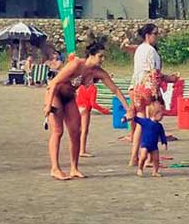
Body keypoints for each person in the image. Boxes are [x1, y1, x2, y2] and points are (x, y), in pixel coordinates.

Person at [44, 41, 131, 180]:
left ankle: (74, 168)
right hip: (55, 95)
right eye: (100, 56)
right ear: (91, 55)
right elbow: (54, 83)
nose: (102, 60)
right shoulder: (77, 64)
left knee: (75, 131)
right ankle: (55, 168)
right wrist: (48, 105)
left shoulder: (98, 72)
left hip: (70, 97)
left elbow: (114, 89)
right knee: (58, 131)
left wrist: (128, 109)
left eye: (104, 57)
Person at [129, 23, 179, 167]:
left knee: (141, 122)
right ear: (147, 35)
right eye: (155, 34)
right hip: (148, 87)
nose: (157, 36)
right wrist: (167, 79)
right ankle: (151, 157)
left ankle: (134, 157)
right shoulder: (150, 51)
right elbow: (154, 73)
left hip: (137, 86)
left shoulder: (139, 49)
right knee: (153, 121)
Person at [134, 100, 168, 177]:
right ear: (154, 114)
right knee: (143, 156)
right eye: (161, 115)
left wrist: (164, 142)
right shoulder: (145, 121)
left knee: (156, 159)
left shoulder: (159, 126)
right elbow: (136, 119)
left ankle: (155, 171)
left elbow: (162, 135)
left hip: (154, 146)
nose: (162, 116)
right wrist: (128, 117)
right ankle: (140, 168)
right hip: (145, 144)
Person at [77, 80, 110, 157]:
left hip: (77, 108)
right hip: (85, 109)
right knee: (84, 130)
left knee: (77, 130)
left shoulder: (81, 86)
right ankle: (82, 150)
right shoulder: (93, 88)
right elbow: (93, 103)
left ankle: (76, 148)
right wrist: (103, 110)